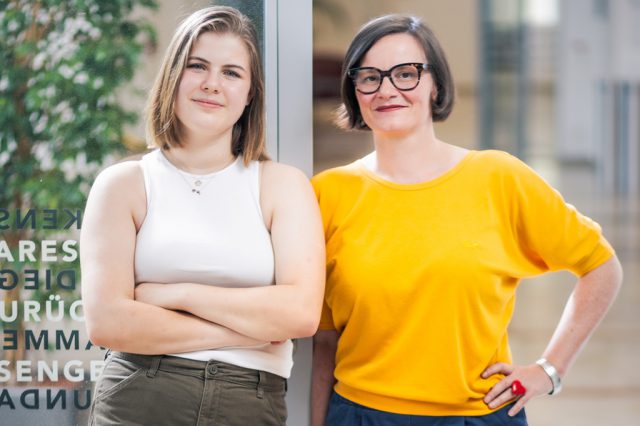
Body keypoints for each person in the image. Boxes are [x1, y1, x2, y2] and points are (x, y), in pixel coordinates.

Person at [310, 14, 622, 426]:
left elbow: (601, 267)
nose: (387, 89)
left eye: (406, 74)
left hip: (477, 417)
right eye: (369, 77)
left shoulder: (498, 177)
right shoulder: (326, 194)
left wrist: (550, 369)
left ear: (435, 83)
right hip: (362, 416)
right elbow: (324, 343)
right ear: (355, 91)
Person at [80, 6, 324, 426]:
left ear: (250, 94)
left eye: (232, 72)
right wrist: (247, 330)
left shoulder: (283, 185)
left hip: (248, 401)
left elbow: (299, 314)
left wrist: (174, 294)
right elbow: (109, 323)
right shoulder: (123, 184)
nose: (212, 84)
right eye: (198, 66)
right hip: (140, 394)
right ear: (173, 77)